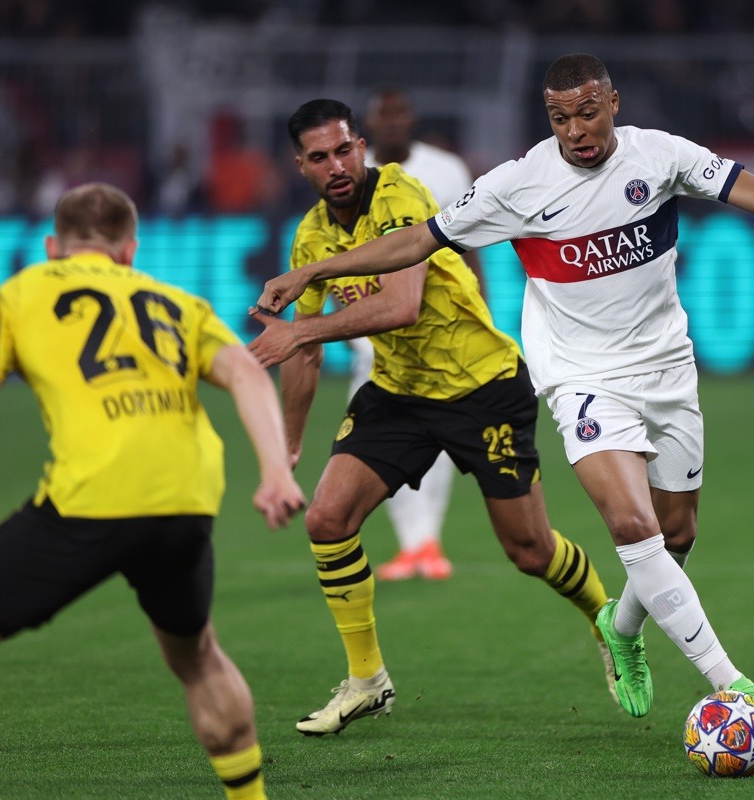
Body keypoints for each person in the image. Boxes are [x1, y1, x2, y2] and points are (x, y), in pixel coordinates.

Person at [254, 55, 754, 748]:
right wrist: (314, 270)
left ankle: (620, 626)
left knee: (676, 532)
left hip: (666, 372)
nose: (576, 130)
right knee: (631, 527)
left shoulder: (662, 157)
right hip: (578, 377)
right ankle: (732, 684)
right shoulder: (518, 183)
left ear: (613, 103)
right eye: (561, 117)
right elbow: (418, 242)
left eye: (588, 112)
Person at [245, 99, 613, 736]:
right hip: (401, 394)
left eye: (344, 150)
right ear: (299, 164)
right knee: (328, 519)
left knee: (528, 550)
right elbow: (299, 352)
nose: (337, 166)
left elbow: (402, 305)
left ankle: (607, 619)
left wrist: (305, 330)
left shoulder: (399, 194)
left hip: (482, 386)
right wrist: (288, 447)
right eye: (319, 157)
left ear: (360, 145)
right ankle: (368, 682)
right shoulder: (309, 236)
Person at [0, 183, 306, 800]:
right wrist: (276, 470)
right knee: (197, 656)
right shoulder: (174, 301)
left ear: (53, 247)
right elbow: (246, 371)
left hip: (91, 501)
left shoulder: (12, 297)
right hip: (184, 503)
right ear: (129, 250)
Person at [352, 87, 485, 582]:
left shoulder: (447, 169)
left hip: (441, 328)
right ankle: (416, 542)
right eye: (381, 116)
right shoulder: (352, 172)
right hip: (373, 334)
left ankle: (424, 541)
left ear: (411, 120)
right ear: (369, 124)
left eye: (398, 115)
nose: (390, 124)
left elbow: (470, 246)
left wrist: (480, 313)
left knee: (440, 435)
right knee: (376, 437)